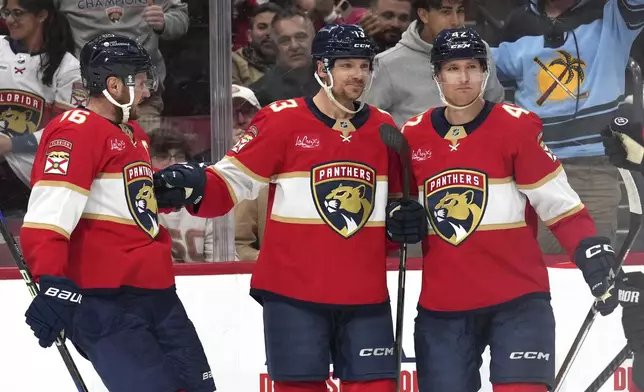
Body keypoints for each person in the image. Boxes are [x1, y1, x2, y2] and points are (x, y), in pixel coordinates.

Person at [154, 24, 426, 392]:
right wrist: (194, 184)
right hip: (295, 294)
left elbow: (394, 207)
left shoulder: (383, 128)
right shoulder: (282, 120)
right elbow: (232, 180)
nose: (358, 74)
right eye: (346, 65)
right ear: (321, 69)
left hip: (365, 292)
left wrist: (402, 221)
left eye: (364, 65)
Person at [392, 27, 618, 392]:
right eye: (452, 69)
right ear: (436, 75)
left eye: (472, 67)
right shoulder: (414, 135)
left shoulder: (516, 128)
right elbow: (401, 208)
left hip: (517, 302)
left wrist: (588, 247)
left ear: (485, 72)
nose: (464, 78)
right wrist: (399, 219)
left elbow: (560, 207)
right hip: (444, 306)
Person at [19, 34, 215, 392]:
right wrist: (51, 280)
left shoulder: (132, 132)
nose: (146, 91)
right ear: (113, 84)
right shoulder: (75, 131)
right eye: (140, 81)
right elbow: (48, 215)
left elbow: (125, 204)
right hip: (105, 300)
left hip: (158, 294)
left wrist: (164, 191)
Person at [494, 0, 644, 256]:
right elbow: (496, 88)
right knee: (539, 270)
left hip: (594, 169)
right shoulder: (517, 23)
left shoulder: (613, 13)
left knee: (595, 267)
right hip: (536, 172)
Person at [366, 0, 505, 127]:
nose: (455, 22)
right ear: (423, 15)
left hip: (475, 148)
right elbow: (366, 122)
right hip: (417, 151)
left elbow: (496, 109)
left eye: (460, 11)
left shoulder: (480, 50)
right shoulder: (388, 63)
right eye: (446, 12)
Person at [0, 0, 82, 186]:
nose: (10, 20)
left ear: (42, 15)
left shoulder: (69, 68)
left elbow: (66, 132)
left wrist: (10, 144)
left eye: (18, 13)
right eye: (6, 13)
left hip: (35, 172)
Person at [149, 127, 215, 263]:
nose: (173, 164)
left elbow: (221, 265)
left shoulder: (205, 203)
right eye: (162, 156)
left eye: (179, 157)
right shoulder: (139, 206)